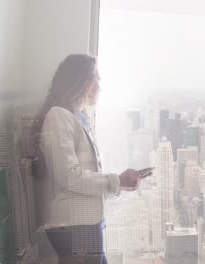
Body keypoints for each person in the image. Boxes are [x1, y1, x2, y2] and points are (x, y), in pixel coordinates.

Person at [35, 54, 153, 264]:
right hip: (74, 227)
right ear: (83, 83)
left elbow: (80, 180)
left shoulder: (77, 117)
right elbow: (69, 177)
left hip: (82, 226)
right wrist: (116, 181)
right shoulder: (59, 116)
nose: (100, 85)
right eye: (97, 78)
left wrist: (119, 184)